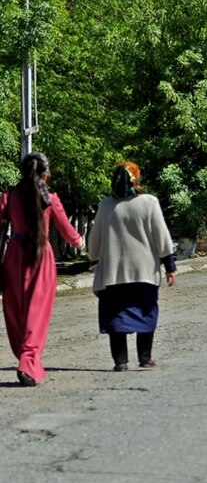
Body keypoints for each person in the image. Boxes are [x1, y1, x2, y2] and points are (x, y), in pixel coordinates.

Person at [1, 153, 85, 386]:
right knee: (36, 314)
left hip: (14, 257)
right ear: (45, 174)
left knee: (16, 312)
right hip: (40, 257)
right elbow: (69, 233)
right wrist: (80, 242)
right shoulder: (50, 198)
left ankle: (26, 359)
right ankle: (28, 362)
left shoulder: (9, 196)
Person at [88, 162, 177, 372]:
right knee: (146, 313)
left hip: (113, 275)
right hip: (144, 273)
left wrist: (94, 260)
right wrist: (169, 266)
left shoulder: (107, 205)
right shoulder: (149, 202)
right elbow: (162, 236)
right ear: (137, 179)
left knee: (116, 317)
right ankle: (145, 358)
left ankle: (121, 362)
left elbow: (94, 241)